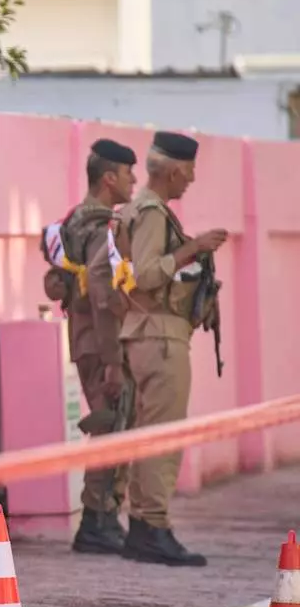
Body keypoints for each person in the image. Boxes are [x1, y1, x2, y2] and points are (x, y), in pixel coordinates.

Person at [109, 131, 227, 567]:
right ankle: (152, 527)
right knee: (164, 434)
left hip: (150, 331)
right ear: (174, 171)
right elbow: (146, 275)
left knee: (150, 432)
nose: (191, 180)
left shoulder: (140, 209)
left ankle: (144, 527)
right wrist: (193, 248)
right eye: (189, 172)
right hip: (158, 336)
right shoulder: (152, 212)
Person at [41, 138, 138, 556]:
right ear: (109, 178)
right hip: (101, 342)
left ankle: (102, 518)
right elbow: (102, 295)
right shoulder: (102, 228)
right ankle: (97, 519)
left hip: (85, 339)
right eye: (129, 173)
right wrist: (114, 361)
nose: (134, 181)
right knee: (112, 424)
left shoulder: (75, 220)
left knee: (110, 423)